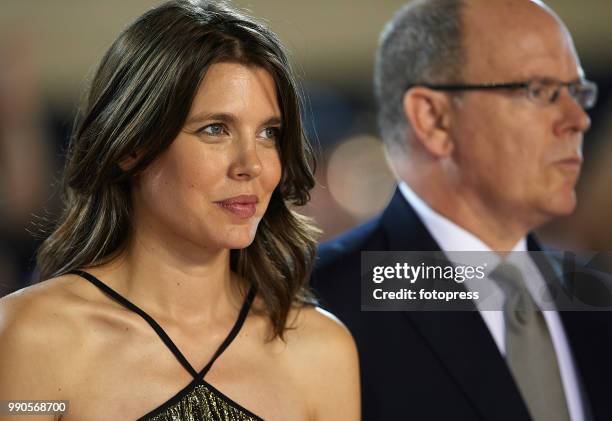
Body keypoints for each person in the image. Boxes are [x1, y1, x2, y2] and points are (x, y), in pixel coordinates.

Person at [0, 1, 360, 420]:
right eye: (215, 129)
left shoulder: (321, 351)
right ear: (132, 146)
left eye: (268, 133)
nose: (252, 165)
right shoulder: (34, 336)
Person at [313, 0, 612, 420]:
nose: (577, 119)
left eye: (578, 92)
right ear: (433, 118)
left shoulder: (597, 294)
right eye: (540, 91)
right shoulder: (317, 305)